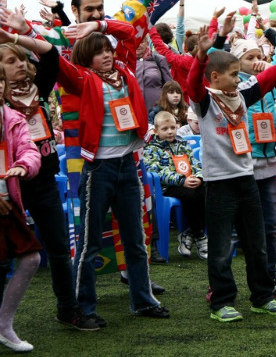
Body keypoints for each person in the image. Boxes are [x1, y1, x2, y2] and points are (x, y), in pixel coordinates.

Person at [186, 15, 276, 322]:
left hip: (247, 177)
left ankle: (262, 296)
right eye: (231, 75)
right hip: (219, 183)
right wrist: (201, 56)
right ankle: (222, 301)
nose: (237, 80)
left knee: (256, 241)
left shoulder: (241, 95)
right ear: (214, 77)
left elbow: (269, 77)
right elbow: (191, 82)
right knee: (221, 245)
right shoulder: (204, 101)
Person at [57, 19, 170, 323]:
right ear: (84, 57)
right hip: (99, 170)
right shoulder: (81, 78)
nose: (107, 54)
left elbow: (130, 33)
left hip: (128, 166)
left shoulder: (125, 70)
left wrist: (98, 25)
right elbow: (52, 60)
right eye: (98, 52)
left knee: (135, 240)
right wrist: (31, 32)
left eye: (107, 49)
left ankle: (144, 301)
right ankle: (83, 308)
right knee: (89, 243)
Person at [0, 24, 96, 331]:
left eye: (20, 59)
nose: (20, 65)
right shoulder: (1, 103)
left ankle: (68, 309)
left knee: (57, 247)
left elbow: (52, 55)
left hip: (42, 181)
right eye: (11, 61)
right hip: (6, 187)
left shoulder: (38, 90)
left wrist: (14, 37)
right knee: (4, 256)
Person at [230, 0, 276, 300]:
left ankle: (269, 279)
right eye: (249, 57)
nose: (256, 60)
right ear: (237, 65)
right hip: (243, 164)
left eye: (259, 55)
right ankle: (218, 284)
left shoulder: (267, 83)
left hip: (268, 162)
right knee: (237, 228)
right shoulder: (235, 89)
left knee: (270, 226)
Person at [0, 60, 42, 352]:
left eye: (0, 81)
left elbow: (30, 149)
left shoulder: (12, 117)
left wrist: (23, 166)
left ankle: (4, 325)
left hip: (7, 202)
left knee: (31, 258)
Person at [144, 111, 206, 259]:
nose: (170, 131)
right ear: (156, 131)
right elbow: (157, 172)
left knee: (207, 190)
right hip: (166, 188)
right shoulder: (151, 148)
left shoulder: (183, 144)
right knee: (190, 194)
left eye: (172, 127)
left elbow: (195, 163)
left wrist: (199, 177)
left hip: (188, 182)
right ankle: (200, 236)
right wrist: (181, 181)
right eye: (165, 129)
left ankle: (189, 233)